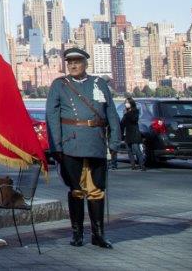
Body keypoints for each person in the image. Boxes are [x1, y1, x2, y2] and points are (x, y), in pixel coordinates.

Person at [45, 46, 120, 249]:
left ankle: (98, 235)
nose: (73, 65)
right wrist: (56, 146)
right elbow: (52, 116)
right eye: (70, 63)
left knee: (96, 190)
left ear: (85, 64)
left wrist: (114, 142)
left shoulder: (99, 83)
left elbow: (111, 113)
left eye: (77, 62)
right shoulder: (60, 85)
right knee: (76, 189)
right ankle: (77, 234)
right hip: (72, 143)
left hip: (96, 142)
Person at [121, 97, 143, 170]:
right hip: (127, 133)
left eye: (127, 102)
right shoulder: (125, 112)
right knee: (129, 150)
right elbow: (122, 123)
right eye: (125, 103)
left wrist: (126, 114)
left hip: (134, 133)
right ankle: (133, 165)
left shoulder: (135, 111)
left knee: (137, 149)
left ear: (131, 103)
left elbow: (134, 119)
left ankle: (142, 165)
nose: (126, 104)